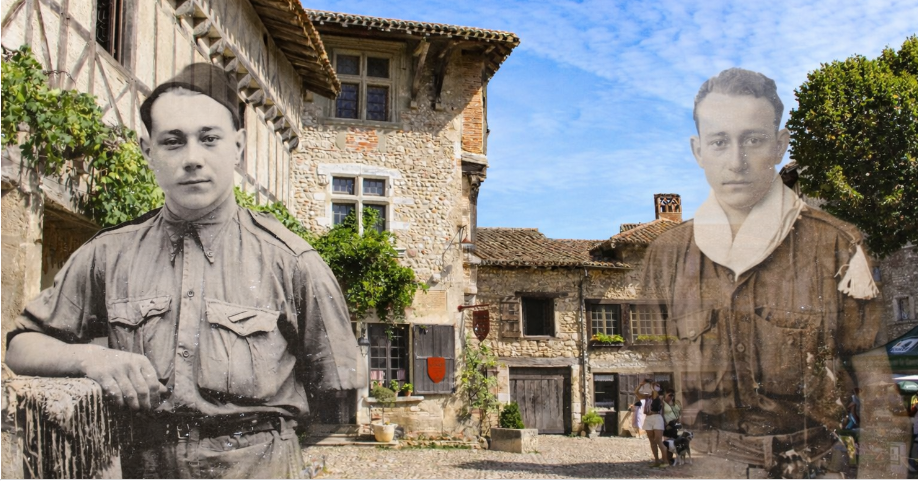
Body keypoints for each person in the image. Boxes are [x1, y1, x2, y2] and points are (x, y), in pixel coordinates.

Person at [4, 63, 363, 478]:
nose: (192, 159)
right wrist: (91, 358)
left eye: (209, 139)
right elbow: (21, 346)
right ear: (147, 150)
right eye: (172, 142)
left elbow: (336, 400)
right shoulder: (107, 254)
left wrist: (260, 450)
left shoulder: (293, 262)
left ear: (238, 147)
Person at [640, 67, 896, 477]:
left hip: (810, 468)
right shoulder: (666, 258)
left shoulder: (836, 248)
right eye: (720, 142)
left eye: (754, 140)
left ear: (779, 145)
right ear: (698, 150)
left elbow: (882, 402)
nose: (737, 161)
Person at [642, 389, 667, 467]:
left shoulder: (660, 399)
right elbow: (637, 393)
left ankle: (665, 461)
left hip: (657, 418)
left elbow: (662, 410)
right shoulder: (647, 399)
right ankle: (656, 460)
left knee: (658, 440)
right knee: (652, 441)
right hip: (648, 418)